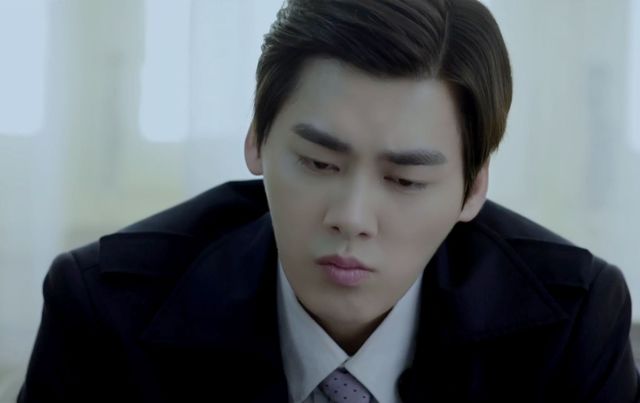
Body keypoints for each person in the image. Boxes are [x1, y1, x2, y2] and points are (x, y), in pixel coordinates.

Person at [18, 0, 639, 402]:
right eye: (319, 164)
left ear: (473, 188)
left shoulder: (573, 323)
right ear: (256, 140)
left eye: (406, 181)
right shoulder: (104, 308)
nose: (351, 217)